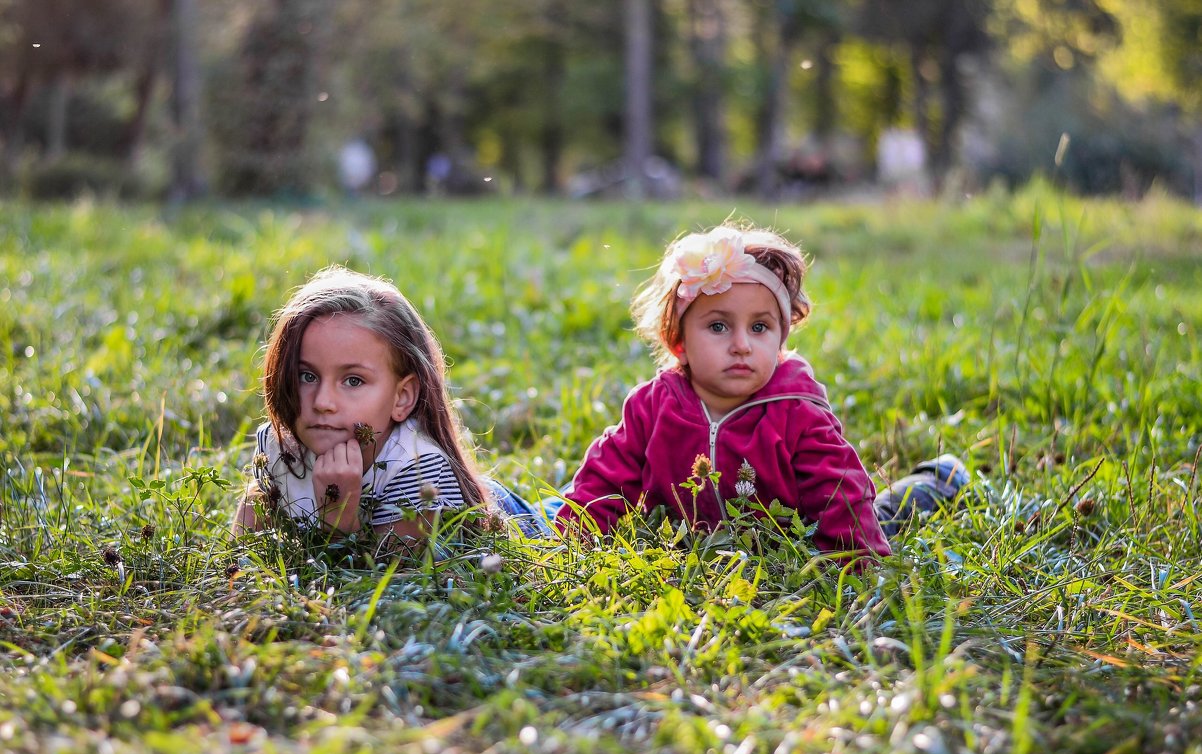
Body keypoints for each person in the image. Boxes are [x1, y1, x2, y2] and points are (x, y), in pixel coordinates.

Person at [553, 224, 966, 560]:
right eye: (718, 327)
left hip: (795, 538)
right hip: (693, 547)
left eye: (759, 327)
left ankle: (942, 478)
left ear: (780, 339)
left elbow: (840, 492)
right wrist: (572, 546)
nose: (741, 344)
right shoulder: (653, 407)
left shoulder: (796, 411)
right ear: (678, 340)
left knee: (885, 514)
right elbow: (603, 481)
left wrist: (855, 565)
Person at [233, 266, 534, 557]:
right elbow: (238, 558)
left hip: (515, 516)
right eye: (307, 376)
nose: (323, 401)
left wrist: (337, 521)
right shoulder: (281, 448)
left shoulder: (419, 470)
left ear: (401, 397)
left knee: (569, 517)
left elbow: (386, 585)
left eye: (353, 380)